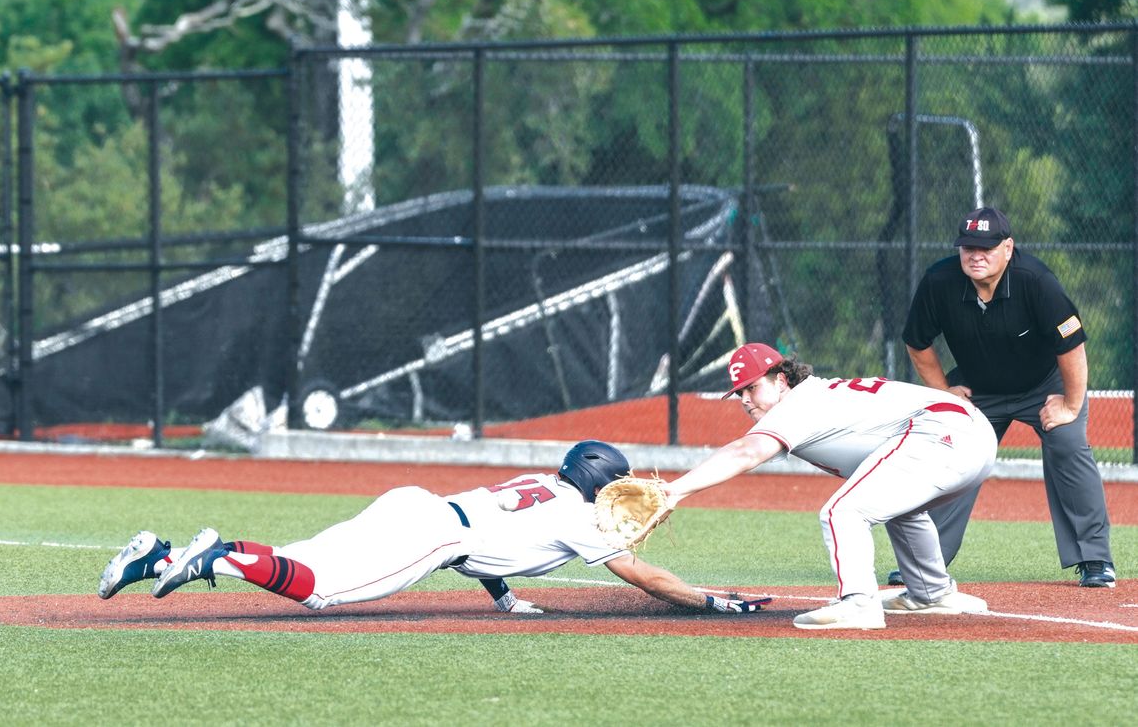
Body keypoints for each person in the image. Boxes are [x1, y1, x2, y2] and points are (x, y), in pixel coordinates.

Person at [97, 440, 767, 616]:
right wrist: (710, 598)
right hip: (434, 535)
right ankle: (212, 557)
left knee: (293, 557)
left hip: (414, 504)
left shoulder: (544, 488)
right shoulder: (578, 514)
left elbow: (495, 544)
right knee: (321, 590)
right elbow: (644, 575)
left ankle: (157, 556)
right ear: (599, 479)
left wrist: (504, 596)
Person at [662, 342, 998, 630]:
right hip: (969, 435)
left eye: (754, 387)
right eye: (740, 393)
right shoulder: (815, 395)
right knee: (894, 506)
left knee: (843, 511)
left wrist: (674, 491)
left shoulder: (797, 404)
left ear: (781, 380)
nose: (747, 399)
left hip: (942, 432)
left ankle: (858, 603)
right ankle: (931, 593)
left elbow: (747, 452)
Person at [897, 207, 1115, 588]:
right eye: (968, 247)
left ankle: (1095, 559)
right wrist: (944, 393)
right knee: (951, 453)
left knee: (1067, 442)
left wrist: (1070, 405)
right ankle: (925, 563)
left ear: (1008, 248)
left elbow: (1073, 347)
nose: (975, 255)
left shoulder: (1037, 281)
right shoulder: (940, 281)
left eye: (986, 247)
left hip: (1044, 385)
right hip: (978, 389)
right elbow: (917, 343)